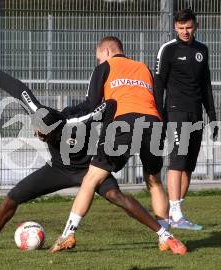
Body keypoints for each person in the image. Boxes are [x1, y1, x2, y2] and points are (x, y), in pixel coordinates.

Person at [0, 57, 186, 255]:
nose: (39, 136)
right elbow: (16, 87)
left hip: (89, 168)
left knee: (117, 196)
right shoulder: (39, 112)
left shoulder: (78, 121)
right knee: (12, 197)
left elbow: (110, 105)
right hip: (57, 170)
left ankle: (165, 235)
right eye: (37, 131)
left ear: (57, 130)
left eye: (44, 134)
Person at [50, 36, 182, 254]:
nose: (98, 61)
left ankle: (68, 233)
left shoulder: (105, 67)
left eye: (98, 57)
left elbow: (91, 104)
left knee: (91, 179)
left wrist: (63, 114)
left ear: (108, 51)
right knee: (154, 181)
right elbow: (158, 101)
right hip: (153, 122)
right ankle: (165, 238)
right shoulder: (143, 68)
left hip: (123, 123)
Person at [153, 9, 217, 230]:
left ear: (196, 26)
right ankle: (177, 213)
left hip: (196, 113)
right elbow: (158, 84)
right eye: (181, 28)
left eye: (188, 27)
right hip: (175, 112)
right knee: (177, 161)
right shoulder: (168, 50)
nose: (185, 31)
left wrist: (212, 115)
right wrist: (159, 115)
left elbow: (206, 85)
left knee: (189, 165)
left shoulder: (202, 50)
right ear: (175, 28)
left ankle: (175, 212)